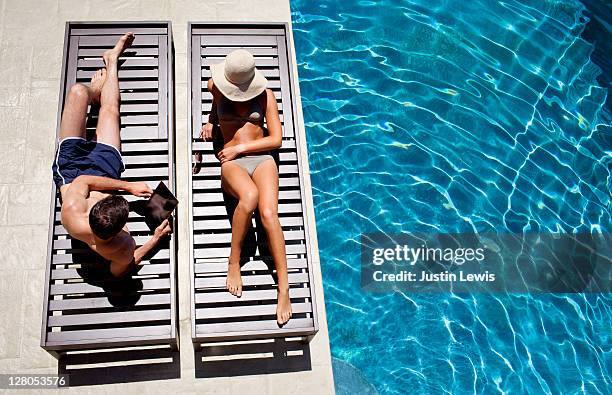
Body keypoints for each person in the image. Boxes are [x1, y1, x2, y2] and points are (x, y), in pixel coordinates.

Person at [52, 33, 171, 278]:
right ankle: (112, 60)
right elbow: (123, 269)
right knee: (110, 111)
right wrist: (155, 239)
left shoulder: (73, 210)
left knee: (77, 92)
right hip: (105, 169)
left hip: (71, 166)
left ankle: (94, 90)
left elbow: (83, 181)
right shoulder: (121, 245)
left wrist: (128, 187)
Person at [193, 49, 292, 326]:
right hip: (231, 163)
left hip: (261, 159)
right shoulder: (216, 86)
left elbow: (276, 140)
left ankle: (284, 288)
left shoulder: (265, 95)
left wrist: (243, 147)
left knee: (269, 214)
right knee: (248, 198)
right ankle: (234, 261)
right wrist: (211, 122)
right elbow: (216, 104)